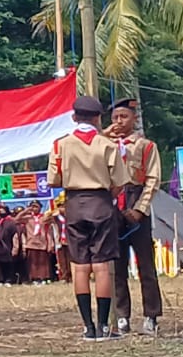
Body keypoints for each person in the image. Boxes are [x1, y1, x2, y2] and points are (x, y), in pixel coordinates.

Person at [48, 95, 130, 341]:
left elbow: (53, 179)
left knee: (80, 266)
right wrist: (105, 195)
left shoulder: (60, 145)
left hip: (74, 204)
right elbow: (120, 182)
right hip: (101, 203)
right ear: (98, 119)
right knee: (102, 266)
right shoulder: (107, 145)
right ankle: (104, 326)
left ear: (74, 118)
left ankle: (87, 327)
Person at [105, 98, 164, 335]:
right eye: (115, 118)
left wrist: (140, 209)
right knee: (116, 266)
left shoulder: (145, 145)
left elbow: (153, 179)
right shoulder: (104, 144)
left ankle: (151, 315)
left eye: (124, 117)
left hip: (136, 198)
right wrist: (105, 133)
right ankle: (122, 316)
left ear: (134, 118)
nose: (119, 122)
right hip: (112, 204)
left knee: (145, 265)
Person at [18, 202, 53, 283]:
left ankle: (43, 277)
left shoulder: (44, 218)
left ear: (40, 208)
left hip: (42, 243)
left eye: (36, 207)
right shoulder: (27, 218)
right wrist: (25, 211)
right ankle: (34, 278)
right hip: (31, 243)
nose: (34, 209)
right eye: (32, 207)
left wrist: (50, 244)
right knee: (32, 263)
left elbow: (49, 231)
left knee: (43, 262)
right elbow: (16, 219)